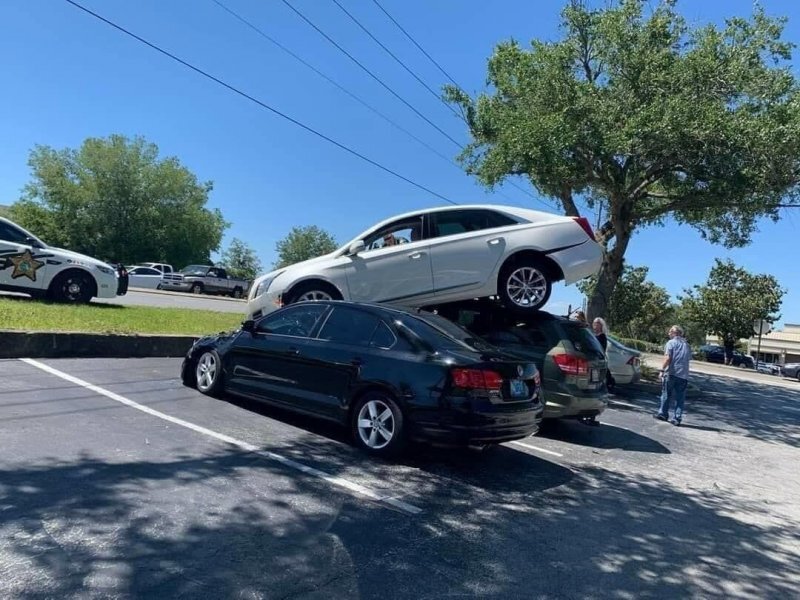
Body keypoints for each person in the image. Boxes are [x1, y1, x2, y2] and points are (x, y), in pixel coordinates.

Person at [655, 324, 692, 426]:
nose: (669, 333)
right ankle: (677, 418)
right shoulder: (687, 345)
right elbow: (688, 359)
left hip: (671, 373)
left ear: (675, 333)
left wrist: (662, 370)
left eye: (670, 331)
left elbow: (667, 358)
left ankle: (663, 413)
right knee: (680, 398)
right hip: (683, 375)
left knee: (666, 394)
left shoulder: (671, 343)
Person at [592, 317, 616, 393]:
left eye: (598, 324)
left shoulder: (602, 336)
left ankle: (609, 383)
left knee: (603, 373)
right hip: (593, 358)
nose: (596, 325)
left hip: (599, 358)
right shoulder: (593, 335)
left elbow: (602, 348)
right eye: (595, 323)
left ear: (601, 325)